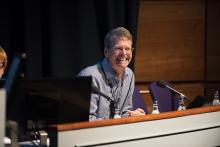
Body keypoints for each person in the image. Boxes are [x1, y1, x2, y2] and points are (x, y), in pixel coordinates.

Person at [78, 27, 145, 121]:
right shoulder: (89, 76)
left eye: (127, 49)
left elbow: (124, 113)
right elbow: (86, 119)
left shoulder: (129, 75)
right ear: (106, 52)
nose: (124, 53)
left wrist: (131, 117)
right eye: (118, 48)